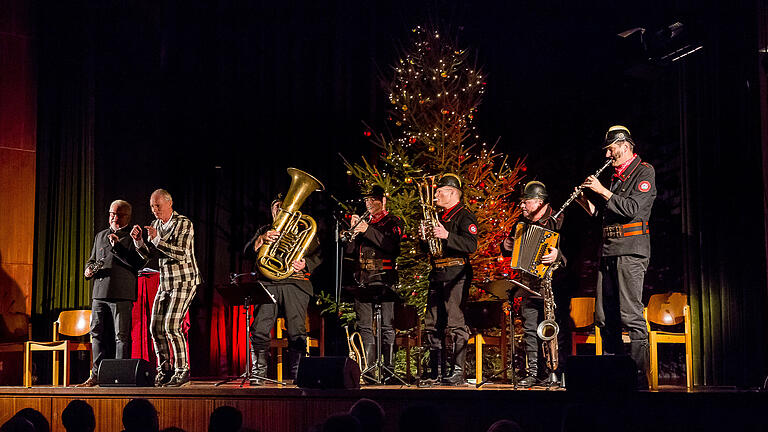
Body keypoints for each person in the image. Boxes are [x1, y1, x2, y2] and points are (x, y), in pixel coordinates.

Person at [576, 125, 656, 386]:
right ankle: (614, 376)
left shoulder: (644, 171)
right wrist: (586, 203)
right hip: (609, 250)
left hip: (632, 251)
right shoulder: (615, 178)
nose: (609, 153)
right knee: (604, 315)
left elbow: (632, 209)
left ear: (625, 145)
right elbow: (607, 215)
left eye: (611, 148)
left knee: (630, 315)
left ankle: (638, 377)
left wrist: (601, 191)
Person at [243, 196, 322, 384]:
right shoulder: (264, 230)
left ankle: (298, 373)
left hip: (294, 283)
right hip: (268, 284)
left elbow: (318, 256)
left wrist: (305, 264)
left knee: (296, 330)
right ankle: (259, 372)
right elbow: (246, 253)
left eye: (284, 208)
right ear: (272, 212)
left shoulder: (302, 229)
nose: (280, 211)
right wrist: (262, 239)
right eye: (276, 208)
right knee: (259, 328)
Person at [131, 189, 201, 387]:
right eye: (152, 206)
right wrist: (139, 242)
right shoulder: (155, 225)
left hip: (185, 280)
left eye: (158, 206)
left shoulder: (184, 223)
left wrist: (156, 240)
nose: (154, 210)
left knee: (171, 325)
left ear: (169, 203)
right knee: (155, 327)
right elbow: (148, 256)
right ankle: (165, 369)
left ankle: (182, 370)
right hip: (166, 282)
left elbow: (180, 253)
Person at [500, 181, 566, 387]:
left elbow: (577, 249)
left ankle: (555, 372)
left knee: (554, 329)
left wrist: (558, 254)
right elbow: (511, 248)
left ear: (539, 202)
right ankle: (534, 372)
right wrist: (506, 245)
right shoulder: (521, 223)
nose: (522, 206)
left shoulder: (560, 220)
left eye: (525, 202)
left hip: (555, 285)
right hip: (529, 284)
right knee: (530, 329)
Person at [419, 173, 478, 386]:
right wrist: (424, 239)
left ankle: (457, 371)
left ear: (452, 192)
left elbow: (471, 245)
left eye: (439, 191)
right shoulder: (440, 217)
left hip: (456, 274)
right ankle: (436, 371)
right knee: (433, 323)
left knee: (455, 323)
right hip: (437, 273)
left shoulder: (464, 215)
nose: (435, 195)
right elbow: (432, 250)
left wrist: (446, 236)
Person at [79, 200, 146, 387]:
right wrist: (88, 271)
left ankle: (120, 376)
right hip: (99, 292)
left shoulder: (134, 236)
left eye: (119, 215)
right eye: (112, 214)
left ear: (128, 217)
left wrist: (118, 246)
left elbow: (138, 263)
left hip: (121, 293)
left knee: (121, 336)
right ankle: (96, 375)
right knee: (96, 333)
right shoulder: (101, 235)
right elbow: (91, 260)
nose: (114, 218)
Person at [343, 186, 403, 376]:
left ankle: (389, 370)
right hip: (363, 278)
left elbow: (392, 246)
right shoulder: (363, 222)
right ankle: (368, 370)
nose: (368, 204)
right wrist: (351, 234)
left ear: (383, 201)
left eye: (373, 200)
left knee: (387, 325)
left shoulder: (392, 221)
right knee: (364, 325)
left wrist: (367, 229)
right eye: (366, 200)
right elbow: (350, 253)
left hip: (384, 278)